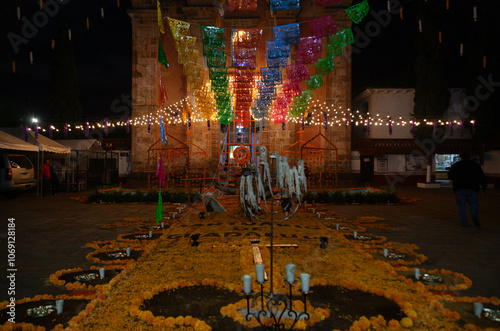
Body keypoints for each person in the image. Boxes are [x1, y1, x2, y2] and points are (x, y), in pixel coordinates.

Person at [448, 151, 487, 227]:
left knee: (461, 205)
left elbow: (450, 176)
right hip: (472, 188)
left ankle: (464, 222)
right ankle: (474, 216)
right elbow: (481, 176)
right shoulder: (475, 165)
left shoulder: (456, 165)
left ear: (461, 157)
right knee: (473, 204)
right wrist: (484, 186)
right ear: (470, 157)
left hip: (459, 188)